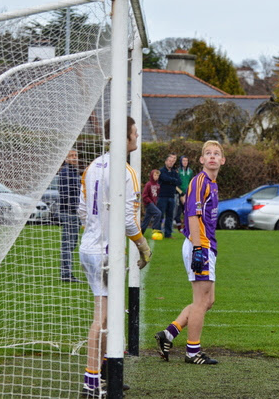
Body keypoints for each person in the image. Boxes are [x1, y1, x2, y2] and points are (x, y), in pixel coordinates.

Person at [78, 116, 152, 397]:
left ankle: (105, 372)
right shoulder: (126, 170)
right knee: (103, 318)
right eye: (134, 133)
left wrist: (98, 229)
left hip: (89, 248)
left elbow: (82, 211)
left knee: (108, 315)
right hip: (107, 254)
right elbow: (130, 221)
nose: (137, 137)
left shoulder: (92, 166)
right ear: (124, 136)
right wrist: (143, 247)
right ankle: (91, 381)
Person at [154, 140, 225, 365]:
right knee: (200, 300)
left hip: (205, 245)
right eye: (208, 154)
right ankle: (193, 352)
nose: (212, 156)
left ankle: (169, 334)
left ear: (222, 160)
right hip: (199, 245)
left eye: (217, 153)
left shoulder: (212, 184)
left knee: (208, 300)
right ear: (202, 160)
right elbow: (192, 215)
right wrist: (197, 248)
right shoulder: (199, 181)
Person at [58, 149, 81, 282]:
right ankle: (66, 274)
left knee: (71, 243)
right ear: (66, 158)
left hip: (73, 212)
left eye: (75, 155)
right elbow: (67, 194)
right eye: (71, 156)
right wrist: (76, 208)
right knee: (68, 243)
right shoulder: (66, 172)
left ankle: (67, 272)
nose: (74, 158)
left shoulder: (73, 172)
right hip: (69, 212)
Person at [155, 153, 181, 239]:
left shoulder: (174, 172)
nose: (170, 162)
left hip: (171, 196)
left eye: (172, 161)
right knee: (160, 215)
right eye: (169, 161)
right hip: (162, 196)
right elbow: (164, 178)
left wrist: (171, 180)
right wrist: (173, 180)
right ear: (166, 161)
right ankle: (158, 232)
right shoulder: (161, 171)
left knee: (170, 216)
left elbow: (179, 182)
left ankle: (168, 234)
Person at [174, 155, 193, 228]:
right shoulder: (178, 171)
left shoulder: (190, 171)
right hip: (179, 193)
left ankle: (186, 227)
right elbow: (176, 184)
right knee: (178, 210)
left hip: (188, 193)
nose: (185, 162)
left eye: (186, 161)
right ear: (181, 162)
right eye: (183, 161)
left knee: (186, 210)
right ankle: (179, 226)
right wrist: (181, 193)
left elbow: (191, 182)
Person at [141, 169, 162, 234]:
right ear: (152, 175)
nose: (156, 177)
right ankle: (155, 228)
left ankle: (141, 233)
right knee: (158, 213)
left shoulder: (158, 185)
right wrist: (149, 202)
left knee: (146, 219)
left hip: (153, 203)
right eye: (155, 175)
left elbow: (156, 195)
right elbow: (144, 195)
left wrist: (155, 202)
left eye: (157, 175)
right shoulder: (148, 184)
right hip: (149, 203)